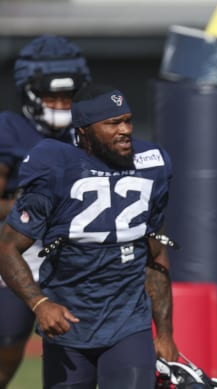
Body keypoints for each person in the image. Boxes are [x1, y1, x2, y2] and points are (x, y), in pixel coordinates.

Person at [0, 84, 178, 388]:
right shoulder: (56, 166)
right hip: (68, 325)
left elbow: (155, 253)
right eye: (113, 123)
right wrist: (40, 304)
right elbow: (7, 249)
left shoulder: (151, 165)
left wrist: (164, 333)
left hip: (128, 324)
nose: (125, 130)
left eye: (128, 120)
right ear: (83, 131)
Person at [0, 34, 91, 388]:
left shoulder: (91, 127)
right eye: (51, 96)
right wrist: (38, 203)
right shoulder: (10, 131)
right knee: (8, 342)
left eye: (67, 96)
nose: (60, 104)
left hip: (79, 260)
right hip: (23, 253)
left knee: (77, 353)